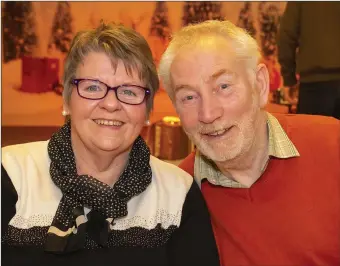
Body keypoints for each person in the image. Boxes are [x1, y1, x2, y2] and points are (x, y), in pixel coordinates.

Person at [1, 23, 220, 266]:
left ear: (147, 111)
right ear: (66, 100)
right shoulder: (11, 175)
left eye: (129, 91)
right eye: (93, 87)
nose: (111, 104)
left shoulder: (178, 194)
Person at [159, 20, 340, 266]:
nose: (209, 114)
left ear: (260, 84)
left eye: (223, 86)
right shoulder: (178, 197)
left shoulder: (332, 144)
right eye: (189, 97)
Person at [277, 2, 340, 119]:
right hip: (314, 84)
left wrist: (288, 78)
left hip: (314, 87)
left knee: (313, 135)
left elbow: (287, 35)